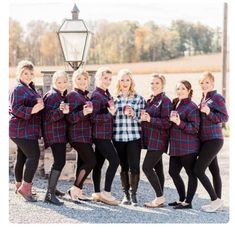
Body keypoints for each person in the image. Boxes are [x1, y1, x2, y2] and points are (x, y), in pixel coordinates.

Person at [9, 60, 44, 202]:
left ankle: (19, 185)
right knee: (34, 155)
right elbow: (15, 109)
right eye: (25, 73)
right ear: (19, 73)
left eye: (31, 73)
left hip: (25, 129)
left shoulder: (29, 87)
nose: (28, 75)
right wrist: (33, 109)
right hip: (20, 129)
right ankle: (25, 188)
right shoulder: (18, 88)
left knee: (22, 157)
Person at [194, 72, 229, 212]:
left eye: (207, 82)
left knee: (198, 170)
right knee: (214, 170)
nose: (204, 85)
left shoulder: (217, 97)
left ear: (212, 83)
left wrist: (209, 112)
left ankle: (215, 200)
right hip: (205, 140)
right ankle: (218, 203)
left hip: (214, 139)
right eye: (202, 83)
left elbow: (224, 117)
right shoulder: (203, 99)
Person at [112, 69, 145, 206]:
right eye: (122, 80)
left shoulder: (138, 98)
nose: (125, 83)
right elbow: (110, 118)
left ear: (131, 82)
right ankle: (125, 195)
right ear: (118, 82)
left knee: (135, 167)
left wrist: (134, 115)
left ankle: (134, 194)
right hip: (118, 137)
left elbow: (143, 119)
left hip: (133, 137)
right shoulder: (113, 98)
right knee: (123, 166)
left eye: (127, 80)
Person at [141, 74, 172, 208]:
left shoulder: (165, 101)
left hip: (159, 140)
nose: (154, 86)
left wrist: (150, 119)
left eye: (157, 83)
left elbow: (167, 123)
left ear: (162, 85)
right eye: (152, 83)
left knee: (146, 167)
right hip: (151, 139)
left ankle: (159, 197)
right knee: (158, 169)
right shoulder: (151, 99)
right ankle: (160, 198)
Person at [90, 67, 120, 205]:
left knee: (99, 163)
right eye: (105, 78)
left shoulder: (107, 94)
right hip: (100, 135)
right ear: (98, 78)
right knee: (115, 161)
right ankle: (106, 193)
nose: (107, 81)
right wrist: (110, 114)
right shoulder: (96, 95)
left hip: (106, 134)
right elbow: (93, 117)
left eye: (109, 79)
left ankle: (97, 193)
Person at [168, 80, 200, 209]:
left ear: (188, 90)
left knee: (191, 173)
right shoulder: (176, 103)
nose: (180, 91)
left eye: (183, 89)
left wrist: (179, 122)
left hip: (188, 147)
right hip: (176, 146)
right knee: (173, 172)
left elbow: (194, 128)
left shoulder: (192, 107)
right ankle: (181, 198)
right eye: (178, 88)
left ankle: (188, 202)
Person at [66, 69, 96, 202]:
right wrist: (83, 113)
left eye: (84, 79)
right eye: (79, 79)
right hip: (78, 136)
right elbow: (70, 118)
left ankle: (78, 192)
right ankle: (75, 188)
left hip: (86, 135)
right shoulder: (72, 95)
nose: (82, 81)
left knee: (82, 162)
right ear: (74, 81)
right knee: (91, 161)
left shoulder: (85, 96)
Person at [42, 71, 69, 205]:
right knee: (59, 161)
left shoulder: (60, 95)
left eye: (64, 82)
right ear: (54, 82)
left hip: (59, 134)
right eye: (59, 82)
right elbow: (48, 117)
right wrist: (61, 111)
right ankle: (49, 194)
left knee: (58, 161)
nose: (62, 84)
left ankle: (53, 189)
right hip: (54, 134)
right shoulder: (52, 96)